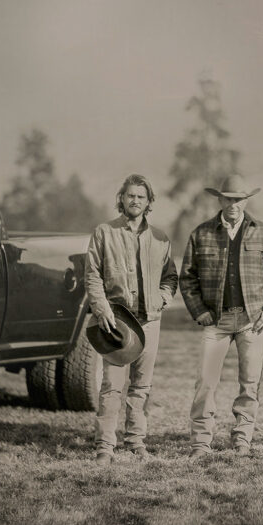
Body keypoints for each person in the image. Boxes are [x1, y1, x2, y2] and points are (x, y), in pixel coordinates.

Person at [180, 175, 263, 457]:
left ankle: (242, 439)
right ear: (220, 200)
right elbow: (187, 278)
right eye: (228, 198)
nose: (233, 204)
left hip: (252, 320)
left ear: (246, 201)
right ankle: (201, 442)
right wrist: (199, 310)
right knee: (206, 381)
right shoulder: (201, 233)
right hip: (216, 321)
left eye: (239, 199)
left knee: (250, 383)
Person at [84, 174, 178, 464]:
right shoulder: (104, 232)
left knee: (141, 386)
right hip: (116, 322)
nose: (135, 200)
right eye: (130, 195)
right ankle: (105, 447)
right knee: (111, 385)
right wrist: (102, 310)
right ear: (121, 199)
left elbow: (170, 276)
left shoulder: (160, 238)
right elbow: (92, 275)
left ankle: (136, 442)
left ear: (149, 202)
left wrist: (163, 298)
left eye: (141, 196)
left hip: (150, 321)